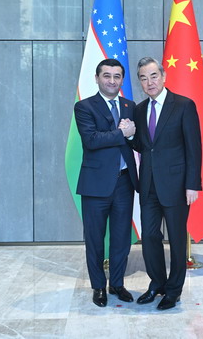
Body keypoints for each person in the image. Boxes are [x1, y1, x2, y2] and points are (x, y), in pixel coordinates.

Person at [131, 56, 202, 310]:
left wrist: (193, 184)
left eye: (153, 76)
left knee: (176, 239)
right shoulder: (139, 110)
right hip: (148, 185)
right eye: (143, 77)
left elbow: (194, 148)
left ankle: (174, 291)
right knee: (149, 237)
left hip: (177, 186)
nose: (149, 82)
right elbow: (143, 146)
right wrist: (129, 137)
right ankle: (157, 284)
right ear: (139, 81)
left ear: (163, 77)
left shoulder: (183, 105)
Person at [74, 58, 138, 307]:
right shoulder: (84, 107)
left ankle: (118, 284)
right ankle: (98, 286)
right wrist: (122, 133)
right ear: (97, 78)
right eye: (107, 76)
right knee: (95, 238)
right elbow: (91, 140)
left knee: (121, 238)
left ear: (122, 80)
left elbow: (134, 142)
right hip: (95, 184)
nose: (112, 81)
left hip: (124, 183)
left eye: (117, 76)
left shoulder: (129, 105)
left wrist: (131, 135)